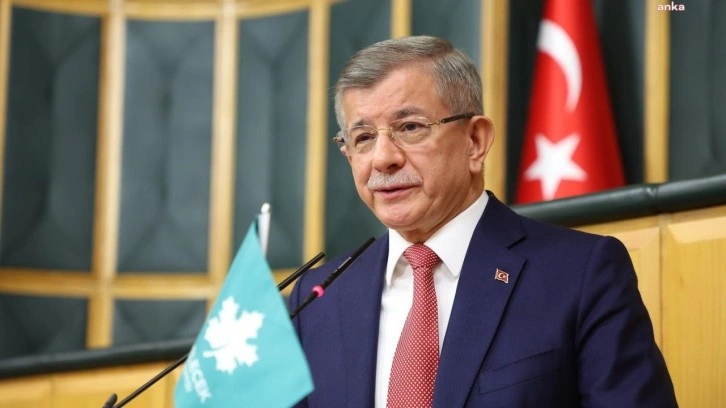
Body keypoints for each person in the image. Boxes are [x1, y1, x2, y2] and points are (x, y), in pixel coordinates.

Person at [289, 36, 677, 408]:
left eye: (410, 128)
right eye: (363, 138)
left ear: (475, 141)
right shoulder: (316, 299)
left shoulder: (580, 274)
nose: (382, 158)